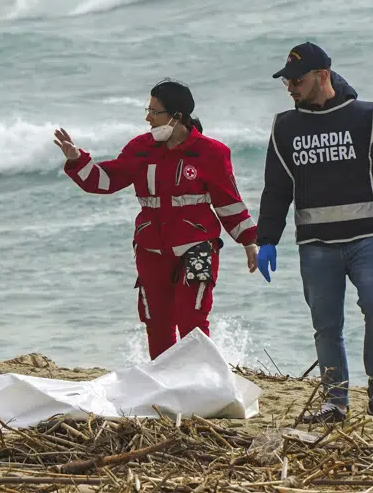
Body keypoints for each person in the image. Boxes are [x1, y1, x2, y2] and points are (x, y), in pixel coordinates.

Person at [257, 42, 373, 422]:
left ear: (323, 76)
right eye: (287, 81)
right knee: (326, 325)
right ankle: (335, 401)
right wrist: (266, 239)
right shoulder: (285, 127)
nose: (290, 87)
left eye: (297, 80)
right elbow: (277, 188)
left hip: (366, 237)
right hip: (315, 246)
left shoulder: (369, 116)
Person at [54, 79, 259, 360]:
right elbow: (107, 180)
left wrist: (249, 242)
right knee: (157, 324)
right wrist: (78, 160)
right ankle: (165, 387)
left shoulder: (212, 153)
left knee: (192, 322)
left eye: (153, 111)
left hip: (197, 247)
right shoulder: (140, 147)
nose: (147, 117)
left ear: (176, 116)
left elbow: (228, 202)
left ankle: (202, 383)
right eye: (147, 109)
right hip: (151, 250)